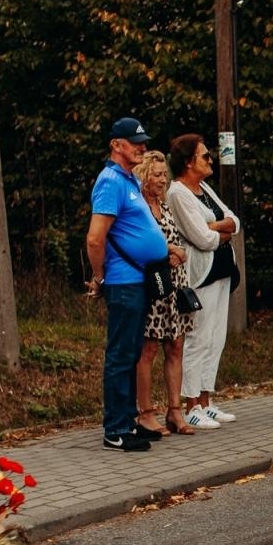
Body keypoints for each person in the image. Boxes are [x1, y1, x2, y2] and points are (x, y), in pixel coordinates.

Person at [85, 117, 168, 452]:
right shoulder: (110, 182)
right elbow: (95, 238)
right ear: (116, 145)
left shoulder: (129, 179)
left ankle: (128, 421)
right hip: (122, 281)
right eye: (135, 142)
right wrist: (100, 276)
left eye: (143, 142)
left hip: (138, 280)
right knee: (120, 355)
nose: (142, 148)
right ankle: (115, 429)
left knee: (132, 352)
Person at [166, 133, 241, 428]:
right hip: (201, 273)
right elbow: (203, 238)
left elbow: (234, 220)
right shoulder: (178, 193)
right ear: (188, 162)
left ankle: (207, 400)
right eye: (205, 156)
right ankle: (191, 403)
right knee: (197, 337)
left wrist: (216, 227)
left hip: (222, 271)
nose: (210, 160)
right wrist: (217, 230)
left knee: (216, 336)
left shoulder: (204, 187)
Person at [132, 151, 196, 435]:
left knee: (176, 346)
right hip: (153, 285)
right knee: (148, 349)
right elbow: (141, 242)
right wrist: (170, 251)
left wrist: (178, 253)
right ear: (144, 176)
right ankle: (145, 412)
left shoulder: (164, 205)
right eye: (156, 174)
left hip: (175, 285)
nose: (162, 179)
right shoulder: (138, 208)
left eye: (163, 174)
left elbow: (173, 238)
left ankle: (174, 410)